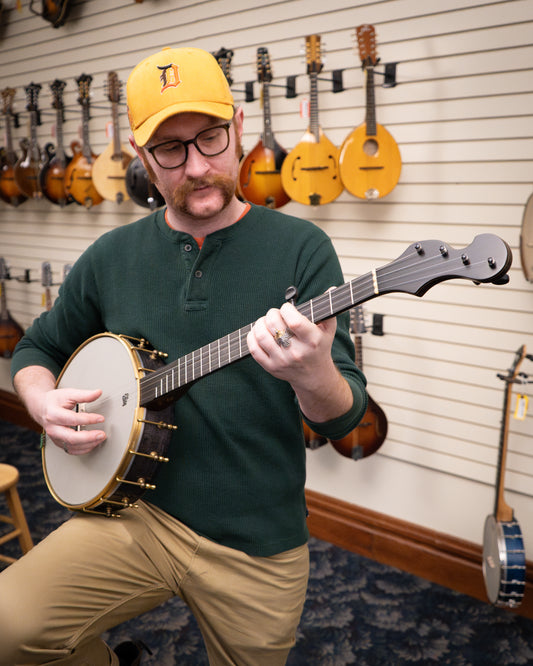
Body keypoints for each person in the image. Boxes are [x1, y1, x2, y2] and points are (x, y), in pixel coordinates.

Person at [0, 46, 367, 666]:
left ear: (240, 130)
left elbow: (343, 417)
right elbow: (38, 346)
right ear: (143, 158)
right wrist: (40, 400)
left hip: (258, 540)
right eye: (170, 149)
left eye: (210, 138)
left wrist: (314, 375)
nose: (196, 166)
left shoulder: (303, 249)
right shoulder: (110, 256)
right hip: (134, 513)